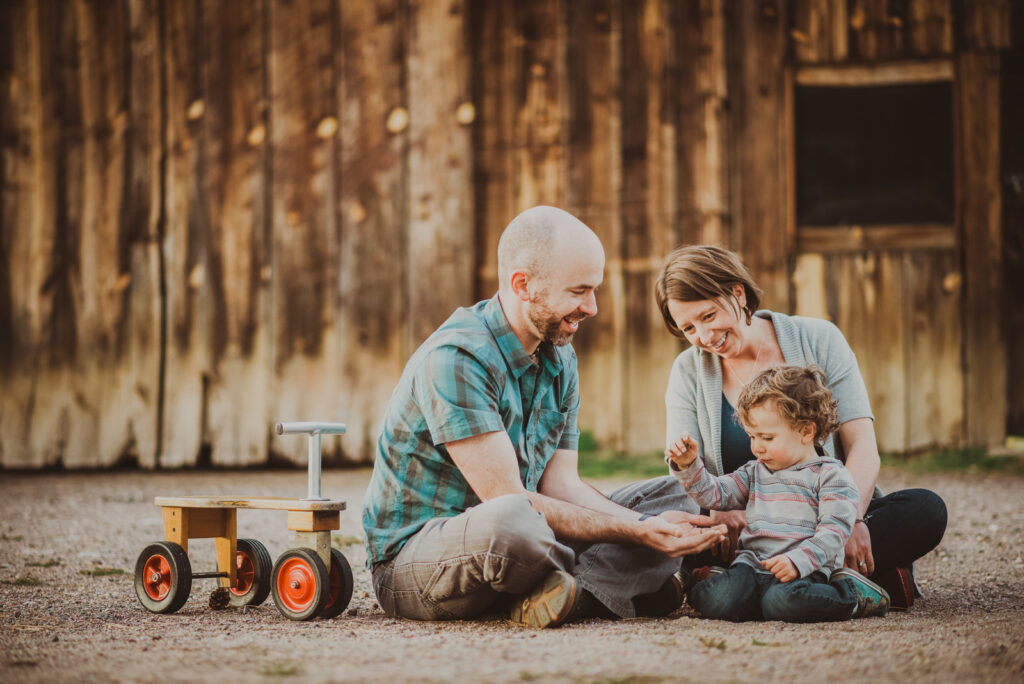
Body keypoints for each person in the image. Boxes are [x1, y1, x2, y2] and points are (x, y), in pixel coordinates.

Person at [361, 207, 726, 628]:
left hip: (531, 535)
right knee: (513, 521)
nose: (592, 307)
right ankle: (611, 584)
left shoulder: (559, 355)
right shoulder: (457, 359)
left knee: (679, 493)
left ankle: (569, 592)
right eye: (579, 291)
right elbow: (509, 499)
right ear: (523, 285)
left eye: (594, 290)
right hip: (420, 559)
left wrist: (647, 522)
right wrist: (638, 535)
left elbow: (561, 486)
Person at [655, 245, 947, 609]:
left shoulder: (819, 338)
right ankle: (838, 581)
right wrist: (719, 509)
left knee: (925, 509)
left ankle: (752, 584)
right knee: (663, 520)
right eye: (688, 328)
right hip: (744, 527)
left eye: (709, 315)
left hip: (825, 516)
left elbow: (862, 446)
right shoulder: (687, 370)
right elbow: (683, 468)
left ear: (738, 293)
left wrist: (852, 521)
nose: (704, 335)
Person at [668, 364, 890, 622]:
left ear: (806, 431)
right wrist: (688, 465)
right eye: (752, 436)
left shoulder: (831, 476)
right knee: (721, 602)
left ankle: (852, 595)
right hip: (752, 565)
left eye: (767, 438)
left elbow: (834, 532)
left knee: (781, 603)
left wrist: (797, 561)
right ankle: (725, 584)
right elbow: (714, 494)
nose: (757, 448)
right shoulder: (754, 472)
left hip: (805, 570)